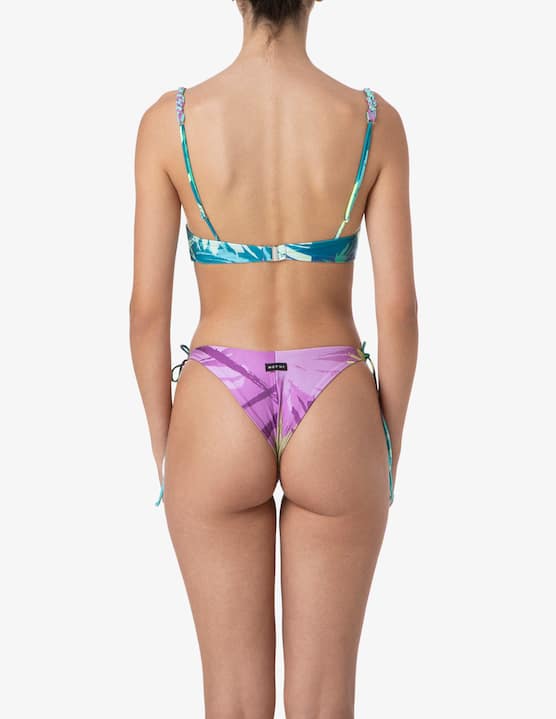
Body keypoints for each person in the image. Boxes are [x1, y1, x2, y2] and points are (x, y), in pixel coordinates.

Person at [130, 0, 418, 715]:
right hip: (336, 399)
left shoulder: (170, 122)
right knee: (325, 704)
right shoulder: (373, 121)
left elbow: (145, 312)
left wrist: (167, 447)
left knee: (232, 702)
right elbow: (400, 311)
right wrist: (387, 443)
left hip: (216, 401)